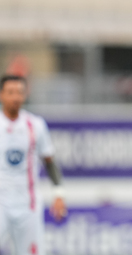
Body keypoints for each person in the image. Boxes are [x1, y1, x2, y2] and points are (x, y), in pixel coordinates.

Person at [0, 75, 66, 255]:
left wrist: (58, 194)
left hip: (27, 204)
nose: (15, 97)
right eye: (10, 92)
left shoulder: (35, 125)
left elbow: (49, 161)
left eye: (19, 92)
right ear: (1, 95)